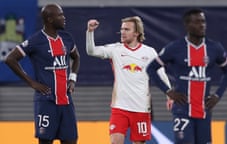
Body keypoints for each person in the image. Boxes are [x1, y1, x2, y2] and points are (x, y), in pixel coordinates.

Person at [147, 8, 227, 144]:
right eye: (197, 22)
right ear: (187, 25)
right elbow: (151, 68)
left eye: (203, 21)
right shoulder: (175, 48)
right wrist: (169, 92)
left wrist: (217, 95)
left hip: (204, 110)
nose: (202, 25)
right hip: (182, 109)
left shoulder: (214, 48)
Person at [86, 16, 170, 144]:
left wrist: (169, 94)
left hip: (141, 108)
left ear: (136, 33)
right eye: (122, 29)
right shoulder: (115, 49)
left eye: (127, 29)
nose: (123, 32)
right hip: (120, 108)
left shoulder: (149, 52)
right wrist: (90, 32)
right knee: (115, 141)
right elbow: (91, 51)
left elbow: (161, 74)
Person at [5, 3, 80, 144]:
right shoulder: (35, 40)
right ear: (50, 19)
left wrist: (73, 79)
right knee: (45, 141)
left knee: (71, 140)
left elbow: (76, 57)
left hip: (66, 101)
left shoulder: (67, 38)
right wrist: (31, 82)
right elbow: (10, 59)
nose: (64, 18)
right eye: (60, 15)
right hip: (46, 101)